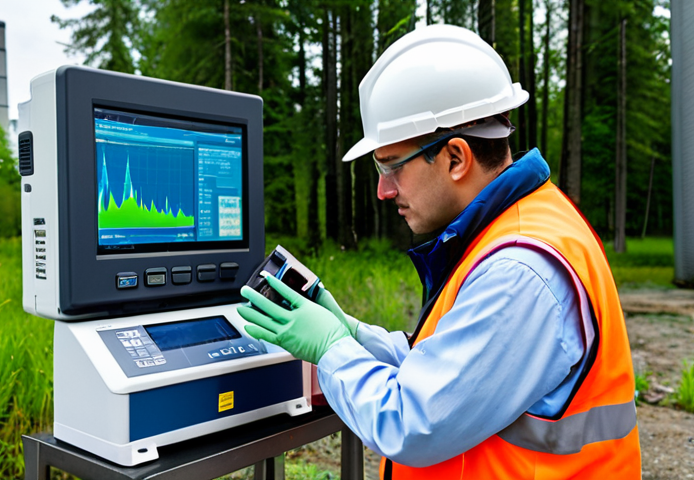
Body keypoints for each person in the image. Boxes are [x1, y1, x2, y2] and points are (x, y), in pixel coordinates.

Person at [237, 24, 641, 479]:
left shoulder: (519, 272)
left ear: (455, 158)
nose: (383, 190)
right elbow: (448, 371)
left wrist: (331, 349)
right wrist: (352, 332)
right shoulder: (512, 229)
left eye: (391, 167)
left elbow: (411, 423)